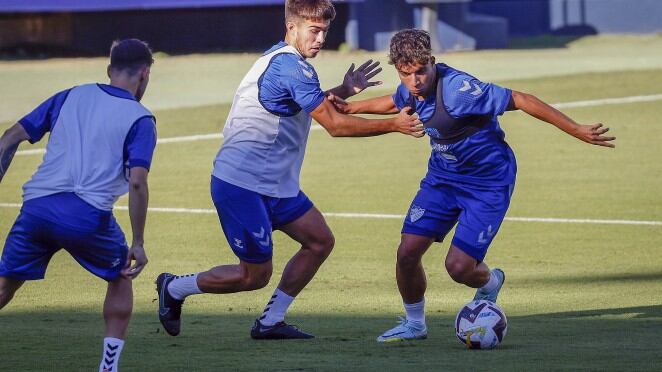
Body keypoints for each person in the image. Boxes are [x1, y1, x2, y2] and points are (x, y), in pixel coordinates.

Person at [156, 0, 424, 340]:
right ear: (291, 26)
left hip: (274, 183)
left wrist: (343, 90)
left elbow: (297, 101)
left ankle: (270, 322)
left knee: (319, 241)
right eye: (314, 30)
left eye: (325, 31)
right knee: (254, 276)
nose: (321, 38)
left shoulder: (284, 62)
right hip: (242, 184)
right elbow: (336, 126)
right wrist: (394, 125)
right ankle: (175, 288)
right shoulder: (291, 67)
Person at [327, 29, 615, 342]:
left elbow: (521, 99)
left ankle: (490, 283)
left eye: (421, 72)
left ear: (433, 62)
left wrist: (575, 129)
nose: (414, 81)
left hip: (487, 184)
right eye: (406, 74)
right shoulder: (411, 85)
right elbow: (396, 100)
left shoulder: (460, 91)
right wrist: (352, 107)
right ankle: (414, 324)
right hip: (442, 180)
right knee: (407, 253)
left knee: (459, 268)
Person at [0, 39, 156, 371]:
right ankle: (108, 367)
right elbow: (138, 182)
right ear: (144, 74)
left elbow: (10, 137)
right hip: (86, 218)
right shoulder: (141, 119)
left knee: (4, 286)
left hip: (37, 209)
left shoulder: (70, 94)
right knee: (121, 275)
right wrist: (139, 243)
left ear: (109, 70)